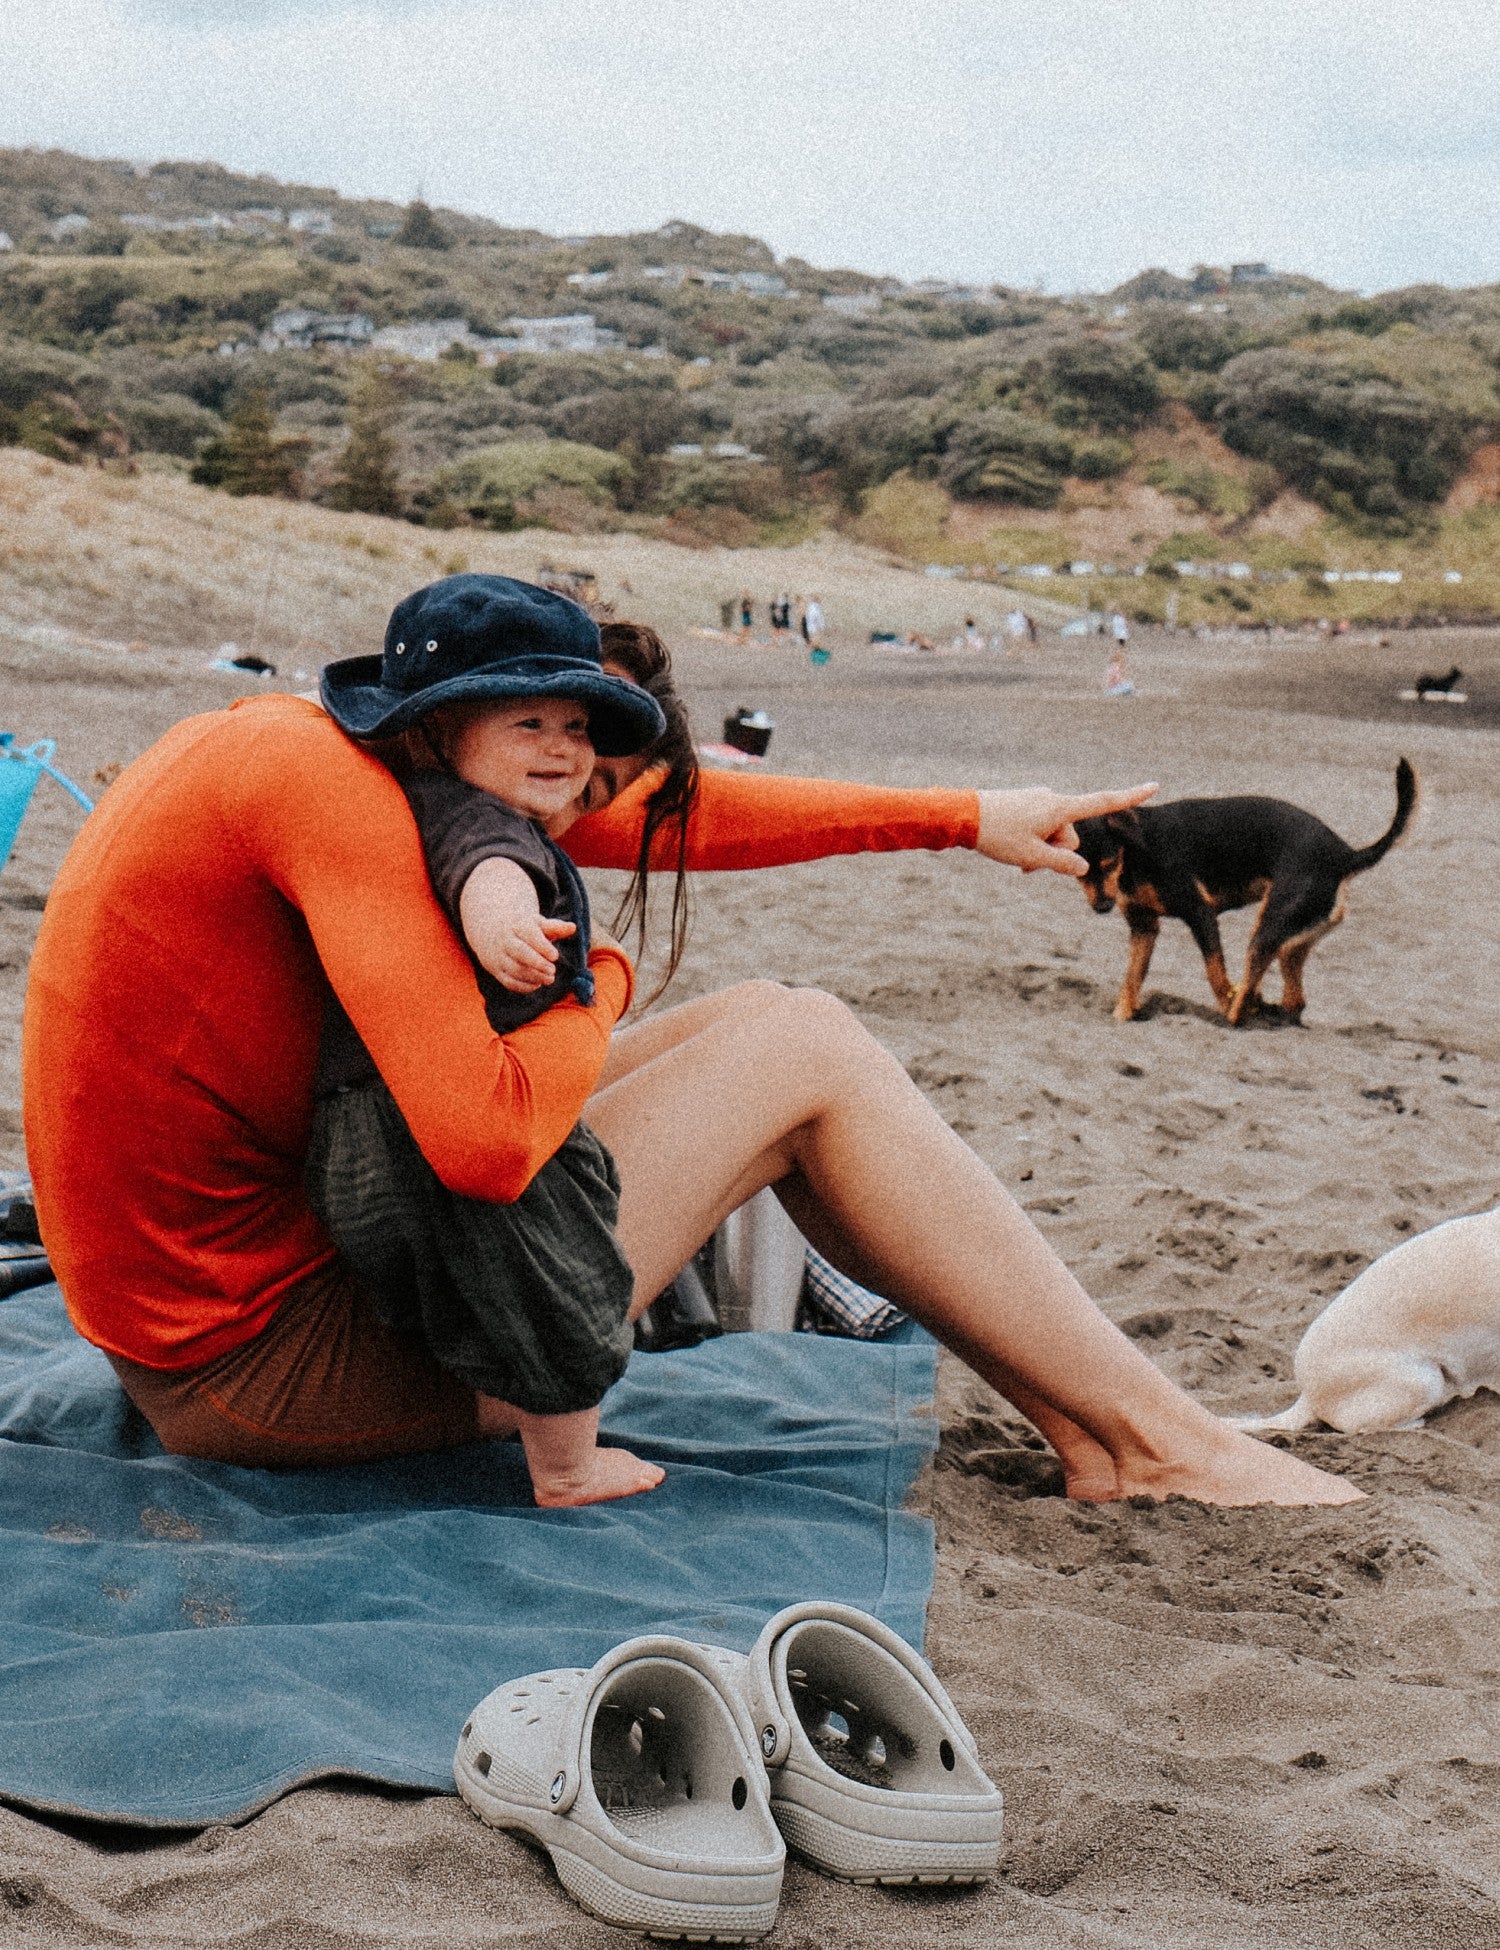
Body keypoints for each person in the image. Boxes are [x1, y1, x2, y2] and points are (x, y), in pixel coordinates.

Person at [22, 574, 1359, 1509]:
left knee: (781, 1021)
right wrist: (597, 979)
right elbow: (487, 1146)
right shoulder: (337, 809)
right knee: (806, 1055)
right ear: (451, 727)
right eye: (553, 743)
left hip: (238, 1299)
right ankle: (1143, 1443)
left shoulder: (338, 758)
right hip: (266, 1371)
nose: (586, 800)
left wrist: (964, 812)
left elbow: (676, 816)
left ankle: (1126, 1426)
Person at [306, 579, 670, 1507]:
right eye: (529, 724)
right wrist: (503, 921)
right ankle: (566, 1467)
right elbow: (486, 873)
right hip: (432, 1119)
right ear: (437, 731)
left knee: (513, 1263)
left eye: (578, 727)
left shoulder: (429, 802)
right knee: (561, 1276)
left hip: (379, 1124)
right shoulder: (472, 819)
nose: (563, 749)